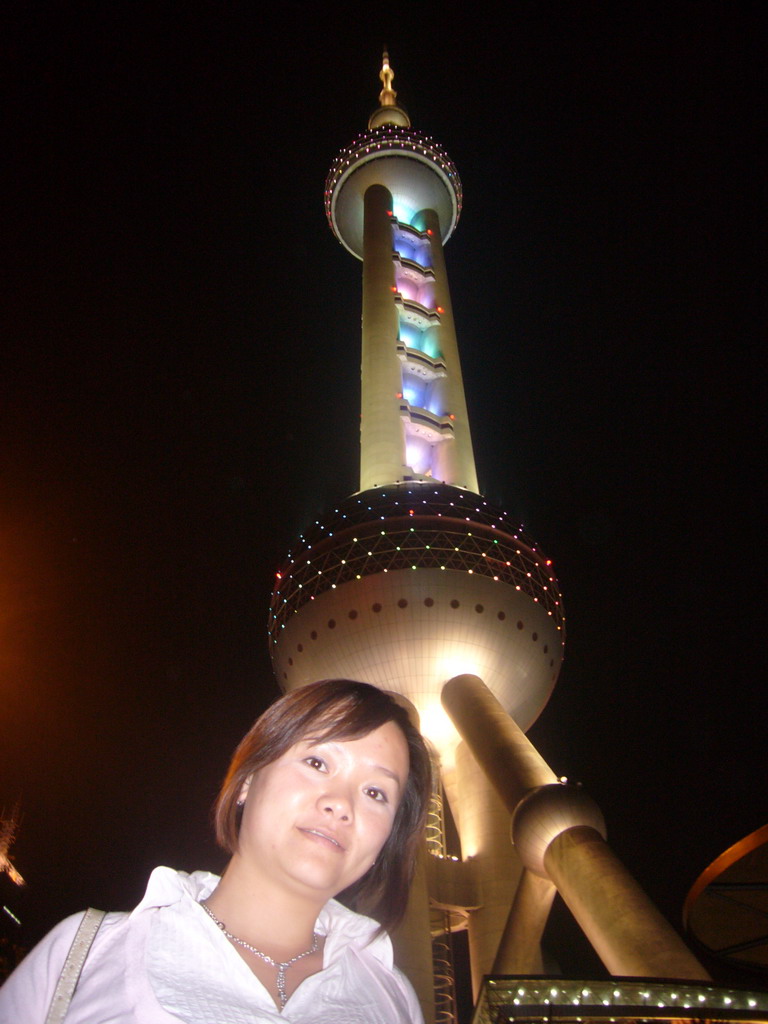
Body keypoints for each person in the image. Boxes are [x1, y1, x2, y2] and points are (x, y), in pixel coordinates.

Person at [0, 679, 432, 1023]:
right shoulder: (86, 951)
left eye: (376, 792)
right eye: (317, 763)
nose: (342, 804)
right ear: (247, 781)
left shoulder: (392, 998)